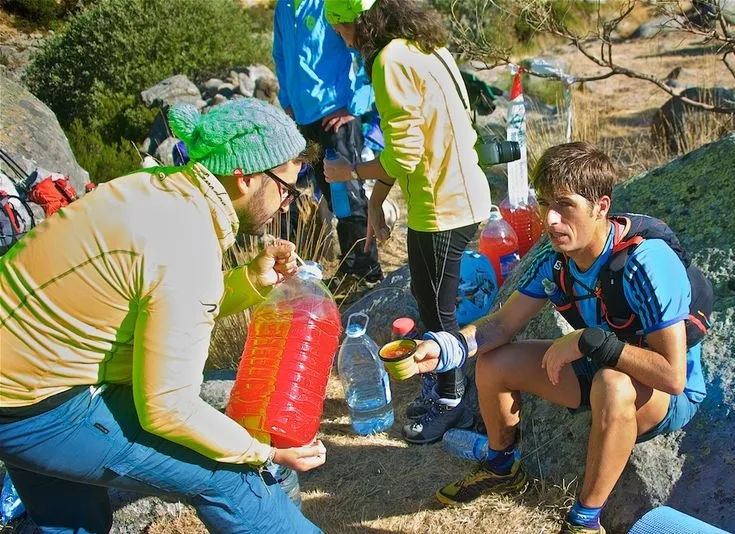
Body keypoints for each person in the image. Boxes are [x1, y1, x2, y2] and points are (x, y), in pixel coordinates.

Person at [0, 99, 328, 534]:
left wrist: (249, 279)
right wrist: (261, 453)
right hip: (39, 406)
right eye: (286, 187)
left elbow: (157, 297)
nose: (287, 204)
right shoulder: (185, 237)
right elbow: (167, 408)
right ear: (245, 176)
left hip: (23, 380)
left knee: (70, 517)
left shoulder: (159, 187)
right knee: (229, 479)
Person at [405, 142, 710, 533]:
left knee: (612, 385)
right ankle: (501, 466)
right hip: (602, 362)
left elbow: (673, 376)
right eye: (544, 202)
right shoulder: (556, 258)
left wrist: (589, 342)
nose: (550, 219)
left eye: (564, 205)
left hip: (664, 392)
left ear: (600, 207)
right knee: (495, 362)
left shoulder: (646, 263)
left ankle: (584, 521)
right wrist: (446, 347)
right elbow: (500, 326)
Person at [323, 0, 492, 444]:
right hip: (462, 195)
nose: (341, 39)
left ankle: (451, 401)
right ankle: (446, 386)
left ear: (357, 21)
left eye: (339, 29)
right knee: (430, 297)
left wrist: (350, 173)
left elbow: (404, 154)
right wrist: (376, 202)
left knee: (438, 310)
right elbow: (416, 142)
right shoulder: (425, 47)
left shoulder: (388, 61)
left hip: (442, 208)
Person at [273, 0, 383, 294]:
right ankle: (348, 267)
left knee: (347, 195)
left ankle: (365, 270)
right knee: (327, 193)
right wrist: (287, 101)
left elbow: (365, 48)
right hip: (303, 118)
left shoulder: (331, 4)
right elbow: (280, 55)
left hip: (337, 117)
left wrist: (355, 105)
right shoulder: (284, 6)